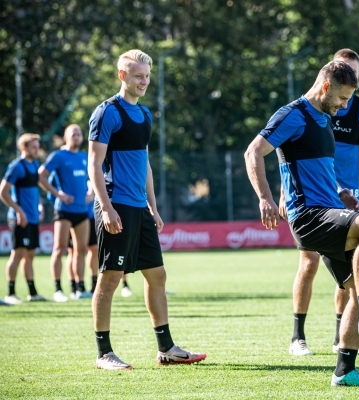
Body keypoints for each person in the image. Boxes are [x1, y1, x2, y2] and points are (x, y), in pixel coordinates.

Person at [245, 60, 359, 387]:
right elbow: (254, 152)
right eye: (343, 99)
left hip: (328, 207)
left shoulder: (324, 118)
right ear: (326, 87)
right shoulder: (293, 114)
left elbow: (318, 171)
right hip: (307, 215)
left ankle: (345, 371)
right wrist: (265, 198)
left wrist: (341, 193)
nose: (345, 106)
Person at [88, 49, 205, 370]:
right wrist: (106, 207)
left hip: (139, 209)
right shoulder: (107, 112)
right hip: (116, 206)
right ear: (122, 75)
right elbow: (94, 164)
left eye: (147, 76)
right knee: (110, 278)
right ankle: (103, 354)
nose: (144, 81)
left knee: (157, 275)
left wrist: (152, 207)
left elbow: (145, 164)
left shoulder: (145, 115)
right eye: (138, 75)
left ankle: (166, 348)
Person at [280, 49, 359, 357]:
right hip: (311, 201)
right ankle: (298, 336)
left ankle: (341, 339)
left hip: (342, 197)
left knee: (353, 276)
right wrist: (279, 194)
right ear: (332, 74)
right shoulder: (314, 110)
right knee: (309, 262)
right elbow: (288, 152)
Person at [39, 124, 92, 302]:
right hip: (64, 211)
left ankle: (79, 288)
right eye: (73, 133)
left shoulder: (85, 157)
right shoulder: (59, 156)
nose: (76, 136)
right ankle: (57, 289)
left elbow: (92, 178)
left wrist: (91, 192)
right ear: (65, 137)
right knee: (60, 248)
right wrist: (58, 194)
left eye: (79, 133)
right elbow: (41, 176)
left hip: (82, 210)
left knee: (81, 250)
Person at [0, 133, 47, 304]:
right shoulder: (16, 166)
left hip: (33, 218)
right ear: (24, 148)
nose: (37, 149)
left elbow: (35, 191)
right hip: (20, 219)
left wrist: (40, 206)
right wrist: (19, 211)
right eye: (34, 146)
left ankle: (33, 293)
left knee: (30, 255)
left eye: (37, 146)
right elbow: (3, 192)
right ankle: (10, 293)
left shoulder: (34, 164)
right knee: (17, 254)